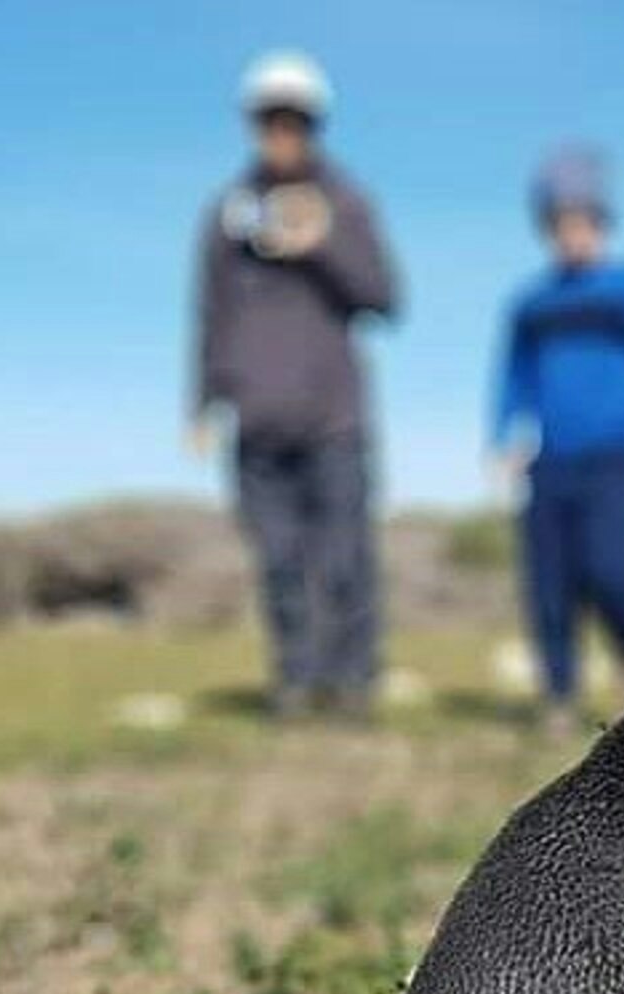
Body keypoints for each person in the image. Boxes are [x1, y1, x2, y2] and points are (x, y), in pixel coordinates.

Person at [189, 52, 399, 721]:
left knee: (344, 560)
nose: (280, 133)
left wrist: (321, 245)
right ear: (254, 125)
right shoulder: (227, 214)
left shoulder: (346, 202)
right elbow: (210, 313)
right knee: (278, 563)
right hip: (256, 421)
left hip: (334, 420)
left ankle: (354, 685)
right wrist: (203, 401)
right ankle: (296, 681)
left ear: (313, 126)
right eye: (268, 120)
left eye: (294, 121)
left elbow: (385, 297)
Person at [490, 144, 624, 733]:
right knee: (549, 581)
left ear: (600, 221)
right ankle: (559, 694)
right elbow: (513, 374)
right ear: (546, 227)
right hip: (550, 457)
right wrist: (505, 435)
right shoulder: (531, 302)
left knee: (609, 569)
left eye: (582, 221)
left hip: (616, 453)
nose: (571, 234)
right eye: (559, 223)